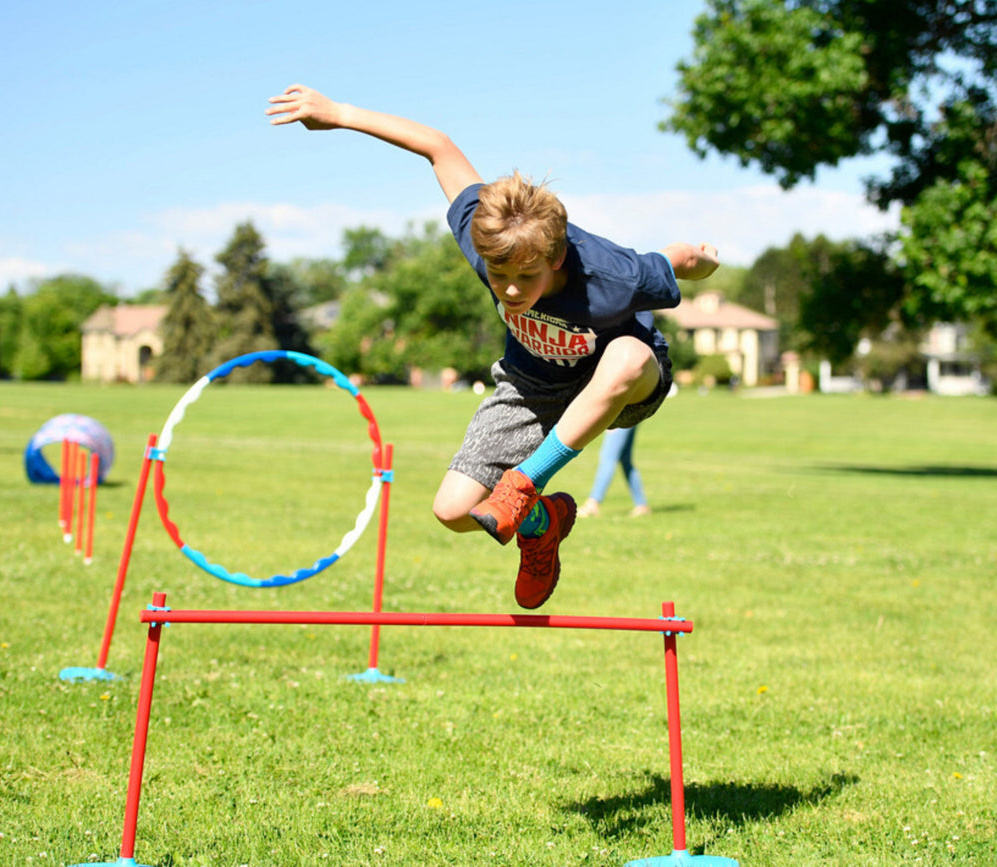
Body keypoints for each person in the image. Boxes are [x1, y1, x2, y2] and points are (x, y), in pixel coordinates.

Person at [267, 84, 719, 609]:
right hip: (532, 385)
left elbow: (672, 260)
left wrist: (707, 259)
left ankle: (527, 484)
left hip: (623, 385)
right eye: (498, 273)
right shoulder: (485, 235)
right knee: (454, 509)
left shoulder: (609, 273)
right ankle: (542, 522)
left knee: (627, 357)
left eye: (525, 276)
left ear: (554, 258)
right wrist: (340, 113)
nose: (507, 287)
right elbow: (438, 147)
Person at [579, 425, 651, 518]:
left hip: (621, 417)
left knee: (608, 457)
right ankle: (642, 506)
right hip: (631, 414)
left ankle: (593, 504)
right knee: (625, 459)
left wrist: (614, 422)